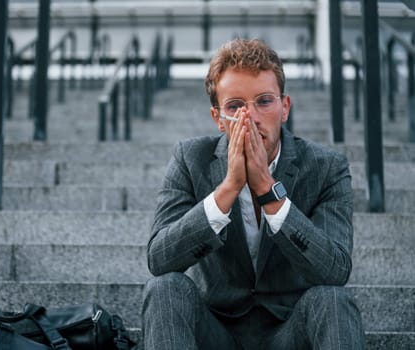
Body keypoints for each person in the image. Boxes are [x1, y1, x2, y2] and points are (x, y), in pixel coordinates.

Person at [142, 38, 364, 350]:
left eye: (264, 101)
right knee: (165, 288)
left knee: (333, 299)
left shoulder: (327, 167)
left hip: (290, 331)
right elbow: (159, 259)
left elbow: (335, 270)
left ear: (284, 108)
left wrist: (268, 191)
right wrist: (228, 188)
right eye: (235, 106)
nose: (252, 117)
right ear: (218, 118)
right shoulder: (190, 159)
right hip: (214, 330)